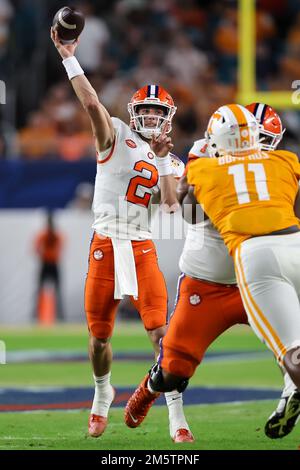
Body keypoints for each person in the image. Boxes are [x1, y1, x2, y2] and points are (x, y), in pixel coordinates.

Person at [51, 28, 194, 443]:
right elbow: (90, 101)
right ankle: (101, 394)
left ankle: (175, 413)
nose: (150, 118)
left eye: (156, 112)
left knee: (160, 335)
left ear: (167, 117)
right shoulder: (113, 132)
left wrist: (166, 162)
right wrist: (69, 57)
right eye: (144, 111)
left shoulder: (174, 161)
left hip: (141, 243)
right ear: (135, 113)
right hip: (105, 242)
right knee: (99, 337)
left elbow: (169, 204)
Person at [125, 103, 300, 440]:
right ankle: (150, 386)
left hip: (255, 270)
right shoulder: (214, 161)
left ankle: (287, 398)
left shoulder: (273, 162)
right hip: (210, 283)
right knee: (173, 371)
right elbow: (189, 215)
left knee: (290, 344)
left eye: (268, 140)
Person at [34, 211, 64, 322]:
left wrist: (49, 255)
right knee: (40, 290)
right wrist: (46, 255)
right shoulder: (46, 235)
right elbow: (36, 247)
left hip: (51, 263)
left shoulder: (53, 235)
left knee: (57, 290)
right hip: (47, 263)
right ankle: (37, 314)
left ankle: (60, 316)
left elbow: (60, 247)